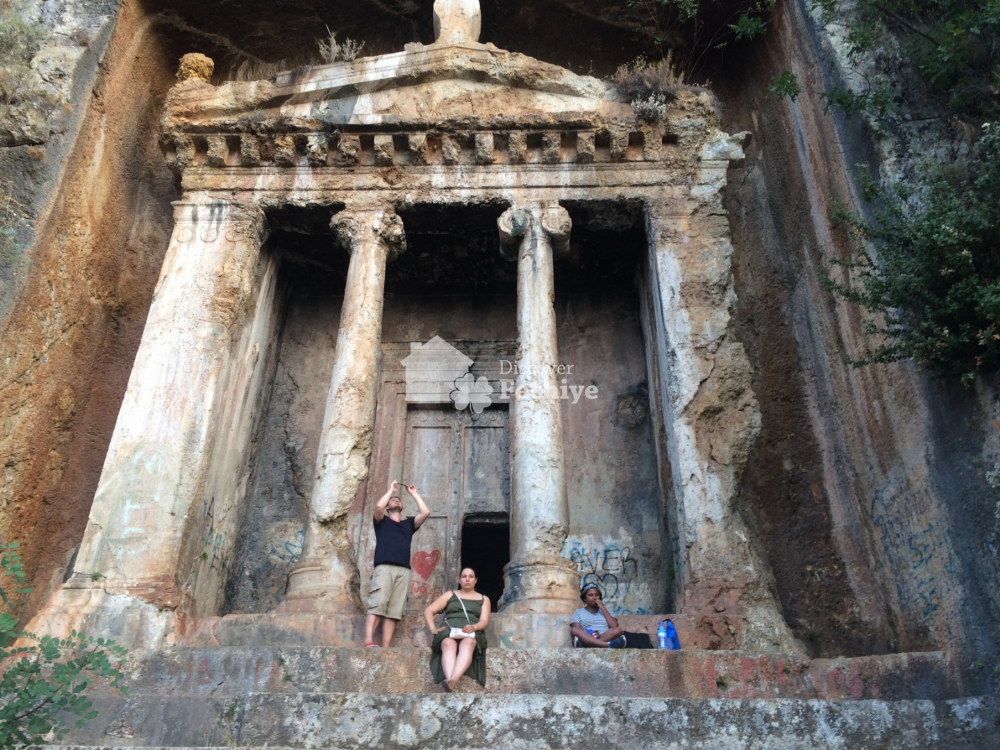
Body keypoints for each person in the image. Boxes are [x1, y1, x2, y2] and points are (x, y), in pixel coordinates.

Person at [363, 480, 431, 647]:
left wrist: (414, 494)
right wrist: (390, 490)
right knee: (378, 604)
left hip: (403, 571)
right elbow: (378, 506)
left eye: (398, 500)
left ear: (402, 506)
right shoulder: (382, 522)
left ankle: (386, 646)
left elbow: (426, 512)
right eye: (392, 500)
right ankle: (368, 641)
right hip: (384, 567)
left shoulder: (408, 524)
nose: (396, 500)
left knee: (394, 611)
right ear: (388, 507)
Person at [424, 567, 491, 692]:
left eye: (471, 576)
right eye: (464, 576)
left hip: (472, 632)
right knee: (447, 643)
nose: (467, 579)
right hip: (450, 630)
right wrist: (433, 629)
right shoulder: (450, 595)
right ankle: (451, 682)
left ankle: (452, 680)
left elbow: (484, 621)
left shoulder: (484, 599)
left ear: (475, 580)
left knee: (469, 642)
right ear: (459, 580)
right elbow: (429, 610)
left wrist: (474, 627)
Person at [569, 582, 626, 648]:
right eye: (590, 595)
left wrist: (603, 608)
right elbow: (576, 630)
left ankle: (593, 644)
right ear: (585, 599)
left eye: (596, 595)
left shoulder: (607, 610)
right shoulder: (579, 612)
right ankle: (607, 645)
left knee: (617, 630)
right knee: (574, 630)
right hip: (588, 636)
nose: (594, 597)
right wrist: (591, 634)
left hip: (604, 637)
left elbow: (614, 626)